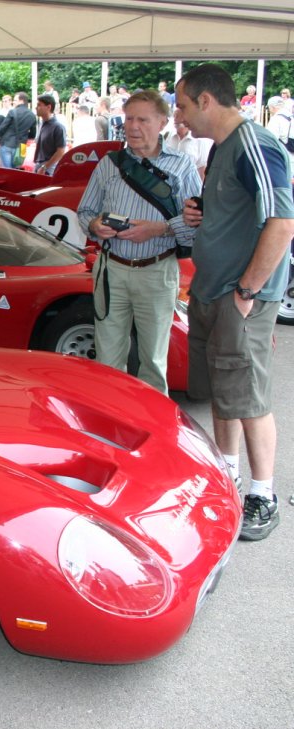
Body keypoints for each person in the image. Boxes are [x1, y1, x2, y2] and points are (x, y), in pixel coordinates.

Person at [176, 63, 294, 541]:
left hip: (238, 297)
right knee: (225, 393)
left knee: (248, 397)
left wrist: (247, 291)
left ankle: (263, 496)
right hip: (213, 290)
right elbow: (240, 212)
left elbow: (282, 223)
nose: (180, 117)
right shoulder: (224, 148)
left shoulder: (254, 145)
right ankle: (228, 476)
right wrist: (202, 214)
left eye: (183, 105)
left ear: (206, 101)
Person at [78, 89, 201, 395]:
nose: (133, 126)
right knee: (107, 359)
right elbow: (85, 212)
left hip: (157, 271)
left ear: (162, 123)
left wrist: (160, 229)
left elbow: (198, 223)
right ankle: (111, 416)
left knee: (154, 361)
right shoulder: (110, 163)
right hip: (112, 269)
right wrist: (94, 225)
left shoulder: (182, 165)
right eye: (129, 118)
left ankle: (151, 421)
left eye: (143, 120)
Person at [0, 92, 36, 168]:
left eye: (15, 100)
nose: (13, 102)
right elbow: (33, 134)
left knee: (7, 170)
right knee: (17, 171)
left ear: (21, 101)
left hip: (7, 144)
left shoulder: (12, 112)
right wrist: (25, 136)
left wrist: (0, 139)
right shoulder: (32, 115)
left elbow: (2, 128)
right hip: (22, 147)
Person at [32, 95, 67, 175]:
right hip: (39, 166)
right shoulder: (42, 124)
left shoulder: (58, 127)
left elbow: (61, 151)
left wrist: (45, 167)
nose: (36, 107)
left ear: (48, 107)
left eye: (39, 105)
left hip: (49, 169)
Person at [264, 95, 293, 167]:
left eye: (268, 108)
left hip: (284, 156)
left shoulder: (276, 119)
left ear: (272, 107)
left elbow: (270, 139)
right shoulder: (291, 117)